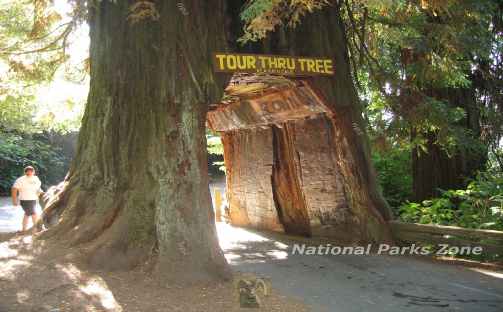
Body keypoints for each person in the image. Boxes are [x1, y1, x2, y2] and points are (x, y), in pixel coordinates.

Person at [11, 166, 43, 233]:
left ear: (33, 172)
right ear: (25, 172)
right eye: (27, 171)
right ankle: (36, 229)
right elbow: (14, 189)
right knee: (34, 213)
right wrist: (14, 200)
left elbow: (38, 188)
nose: (29, 172)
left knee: (27, 214)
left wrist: (40, 191)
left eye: (31, 171)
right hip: (25, 200)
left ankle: (24, 229)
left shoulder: (36, 179)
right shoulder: (20, 180)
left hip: (33, 199)